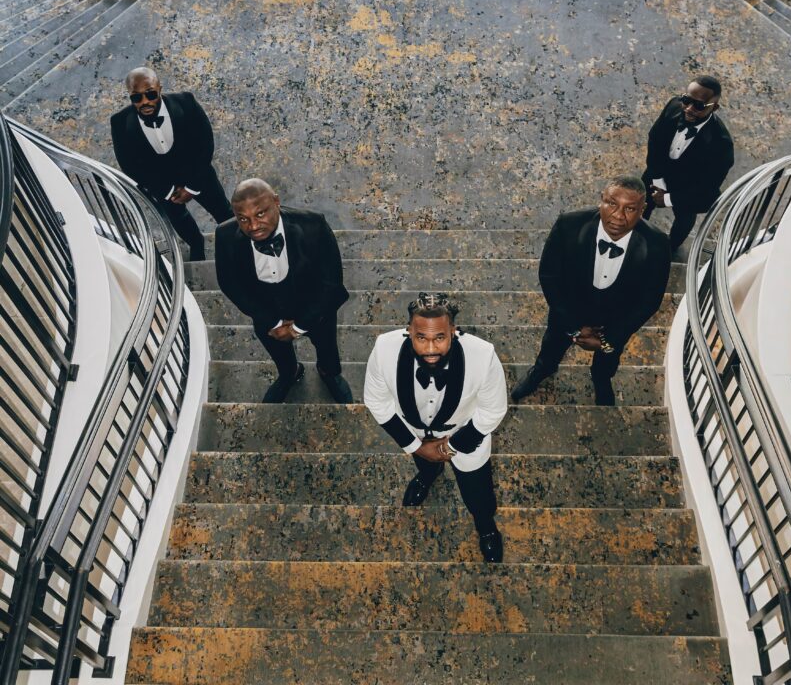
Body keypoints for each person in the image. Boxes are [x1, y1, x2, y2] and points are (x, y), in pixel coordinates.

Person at [364, 292, 507, 563]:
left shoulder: (483, 355)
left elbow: (493, 410)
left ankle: (485, 527)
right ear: (408, 332)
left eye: (439, 338)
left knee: (478, 494)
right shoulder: (383, 349)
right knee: (425, 465)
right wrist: (417, 447)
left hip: (465, 436)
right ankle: (427, 476)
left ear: (453, 332)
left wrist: (450, 446)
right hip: (414, 432)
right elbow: (376, 401)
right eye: (422, 338)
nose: (430, 349)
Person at [511, 175, 671, 407]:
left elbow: (650, 300)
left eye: (630, 209)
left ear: (643, 209)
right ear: (601, 201)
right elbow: (550, 276)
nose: (618, 215)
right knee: (551, 348)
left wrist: (609, 339)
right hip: (568, 312)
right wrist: (573, 327)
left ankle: (601, 379)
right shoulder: (568, 225)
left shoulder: (657, 243)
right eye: (612, 204)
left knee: (607, 360)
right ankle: (542, 371)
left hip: (616, 320)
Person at [215, 178, 353, 403]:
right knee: (277, 352)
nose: (253, 226)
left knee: (327, 346)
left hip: (315, 308)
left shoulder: (313, 225)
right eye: (243, 219)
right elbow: (230, 284)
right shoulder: (225, 235)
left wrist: (298, 327)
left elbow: (331, 282)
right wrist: (272, 322)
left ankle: (329, 373)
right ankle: (290, 373)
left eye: (260, 214)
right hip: (266, 313)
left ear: (276, 202)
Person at [110, 67, 231, 260]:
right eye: (136, 97)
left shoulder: (186, 103)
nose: (145, 102)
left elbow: (205, 144)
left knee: (225, 214)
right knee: (179, 221)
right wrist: (166, 191)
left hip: (198, 174)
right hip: (162, 184)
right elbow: (130, 165)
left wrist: (192, 186)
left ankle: (237, 247)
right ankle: (196, 244)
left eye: (150, 94)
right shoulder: (119, 122)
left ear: (159, 89)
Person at [641, 75, 734, 254]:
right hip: (658, 172)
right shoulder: (673, 106)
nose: (689, 109)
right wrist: (658, 181)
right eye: (686, 100)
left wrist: (668, 199)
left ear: (714, 107)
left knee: (684, 220)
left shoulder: (722, 146)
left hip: (688, 188)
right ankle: (635, 233)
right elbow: (655, 140)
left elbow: (707, 188)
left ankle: (668, 249)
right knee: (641, 204)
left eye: (699, 105)